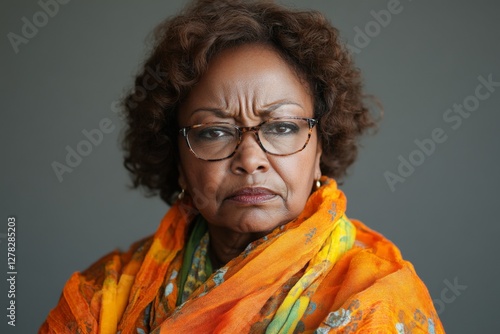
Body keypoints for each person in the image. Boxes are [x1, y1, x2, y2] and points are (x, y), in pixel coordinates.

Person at [40, 0, 444, 333]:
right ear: (177, 159)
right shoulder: (104, 298)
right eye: (214, 132)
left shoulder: (374, 301)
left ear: (321, 148)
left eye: (282, 127)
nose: (250, 159)